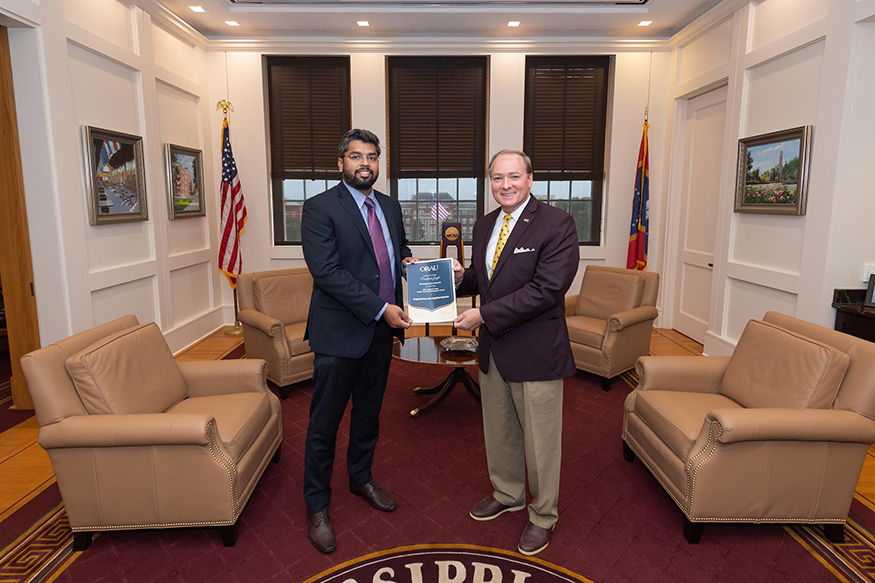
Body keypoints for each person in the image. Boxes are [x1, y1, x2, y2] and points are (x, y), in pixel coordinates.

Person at [452, 149, 579, 556]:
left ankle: (543, 515)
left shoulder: (557, 224)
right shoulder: (485, 223)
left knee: (540, 443)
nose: (505, 185)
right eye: (497, 178)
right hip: (494, 351)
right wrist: (456, 277)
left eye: (513, 177)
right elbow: (486, 277)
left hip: (536, 350)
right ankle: (507, 493)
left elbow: (546, 290)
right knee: (500, 432)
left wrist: (482, 315)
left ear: (529, 179)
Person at [301, 129, 417, 554]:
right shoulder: (318, 208)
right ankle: (316, 505)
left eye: (371, 156)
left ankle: (360, 478)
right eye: (355, 156)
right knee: (323, 424)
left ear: (378, 162)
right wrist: (380, 308)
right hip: (339, 334)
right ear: (341, 163)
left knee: (368, 415)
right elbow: (327, 273)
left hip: (380, 334)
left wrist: (409, 263)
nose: (364, 163)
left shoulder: (389, 205)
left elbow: (395, 248)